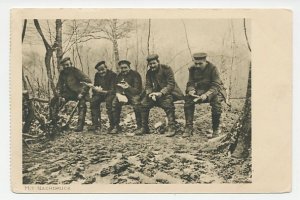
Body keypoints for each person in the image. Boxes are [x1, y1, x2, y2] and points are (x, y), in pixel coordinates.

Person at [137, 54, 184, 136]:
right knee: (143, 104)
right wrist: (150, 94)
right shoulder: (149, 73)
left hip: (169, 92)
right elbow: (148, 85)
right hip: (154, 94)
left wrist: (161, 93)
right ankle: (144, 128)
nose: (152, 66)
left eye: (154, 63)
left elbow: (171, 84)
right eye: (150, 64)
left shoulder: (167, 69)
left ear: (158, 62)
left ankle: (171, 127)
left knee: (168, 104)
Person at [183, 52, 226, 138]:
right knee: (188, 99)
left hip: (214, 90)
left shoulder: (213, 68)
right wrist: (191, 90)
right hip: (200, 90)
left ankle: (215, 129)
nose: (197, 66)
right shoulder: (192, 69)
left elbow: (216, 85)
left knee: (216, 103)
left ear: (205, 61)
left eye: (200, 63)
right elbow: (190, 82)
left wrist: (206, 95)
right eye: (196, 63)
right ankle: (189, 127)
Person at [49, 57, 92, 132]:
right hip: (68, 94)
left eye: (68, 64)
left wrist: (82, 93)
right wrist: (59, 95)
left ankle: (80, 126)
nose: (67, 66)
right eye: (65, 65)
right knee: (53, 101)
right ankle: (53, 121)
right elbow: (59, 85)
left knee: (82, 105)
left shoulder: (76, 71)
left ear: (71, 64)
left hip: (79, 93)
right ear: (62, 66)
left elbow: (88, 81)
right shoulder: (62, 74)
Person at [110, 60, 143, 134]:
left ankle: (140, 126)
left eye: (125, 68)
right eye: (122, 68)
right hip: (123, 95)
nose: (123, 70)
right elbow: (116, 87)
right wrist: (119, 93)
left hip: (134, 94)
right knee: (114, 103)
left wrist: (128, 87)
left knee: (136, 103)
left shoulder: (135, 74)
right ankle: (116, 126)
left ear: (129, 67)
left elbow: (137, 90)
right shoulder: (119, 76)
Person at [88, 61, 117, 133]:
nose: (101, 72)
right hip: (100, 94)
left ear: (106, 68)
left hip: (110, 94)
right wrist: (95, 89)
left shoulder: (113, 75)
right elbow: (95, 86)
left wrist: (103, 91)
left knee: (109, 103)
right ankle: (96, 124)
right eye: (99, 70)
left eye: (102, 69)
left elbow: (113, 90)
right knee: (93, 102)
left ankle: (113, 125)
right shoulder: (97, 75)